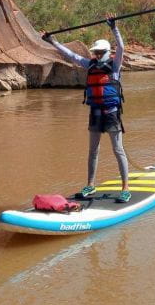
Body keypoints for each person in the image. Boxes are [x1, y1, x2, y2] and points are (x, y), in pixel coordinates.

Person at [43, 17, 131, 203]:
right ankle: (90, 184)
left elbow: (121, 48)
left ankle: (125, 187)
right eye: (96, 53)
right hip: (95, 114)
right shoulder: (89, 64)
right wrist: (54, 42)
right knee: (93, 151)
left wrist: (114, 28)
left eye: (100, 53)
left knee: (118, 149)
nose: (97, 55)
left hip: (111, 113)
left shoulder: (114, 65)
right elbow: (71, 56)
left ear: (107, 52)